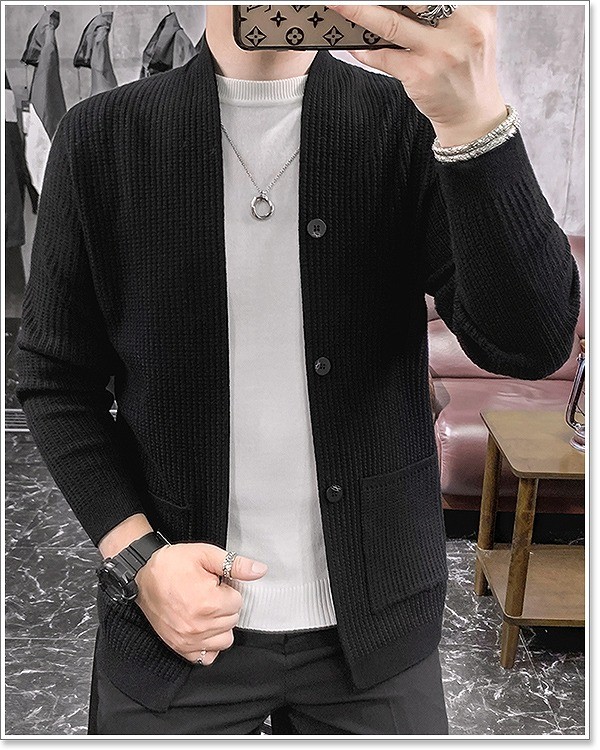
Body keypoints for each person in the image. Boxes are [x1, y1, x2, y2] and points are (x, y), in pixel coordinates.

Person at [15, 3, 580, 736]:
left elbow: (531, 344)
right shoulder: (101, 137)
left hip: (378, 629)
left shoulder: (410, 124)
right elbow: (56, 377)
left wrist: (474, 122)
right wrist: (139, 559)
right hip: (172, 623)